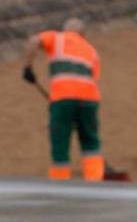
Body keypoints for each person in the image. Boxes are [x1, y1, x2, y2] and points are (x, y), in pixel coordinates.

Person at [22, 18, 104, 181]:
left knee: (60, 142)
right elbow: (92, 78)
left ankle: (60, 184)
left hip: (63, 98)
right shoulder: (92, 51)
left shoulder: (57, 38)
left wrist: (27, 68)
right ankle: (95, 182)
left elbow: (33, 41)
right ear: (83, 35)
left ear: (65, 29)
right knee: (90, 142)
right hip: (89, 100)